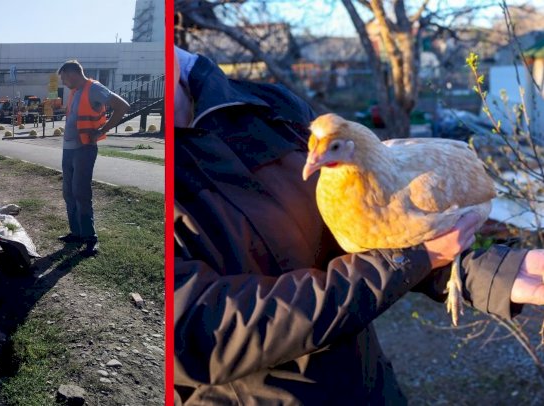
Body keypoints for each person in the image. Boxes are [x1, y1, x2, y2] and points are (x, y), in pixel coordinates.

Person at [172, 46, 544, 405]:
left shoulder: (269, 107)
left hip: (370, 389)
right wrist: (412, 260)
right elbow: (199, 333)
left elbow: (373, 223)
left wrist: (483, 271)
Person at [57, 60, 130, 256]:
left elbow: (122, 106)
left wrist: (102, 131)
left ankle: (90, 238)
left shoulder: (94, 88)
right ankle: (76, 232)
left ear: (72, 74)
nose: (63, 83)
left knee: (81, 193)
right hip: (69, 149)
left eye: (64, 78)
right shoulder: (74, 92)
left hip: (84, 149)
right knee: (69, 192)